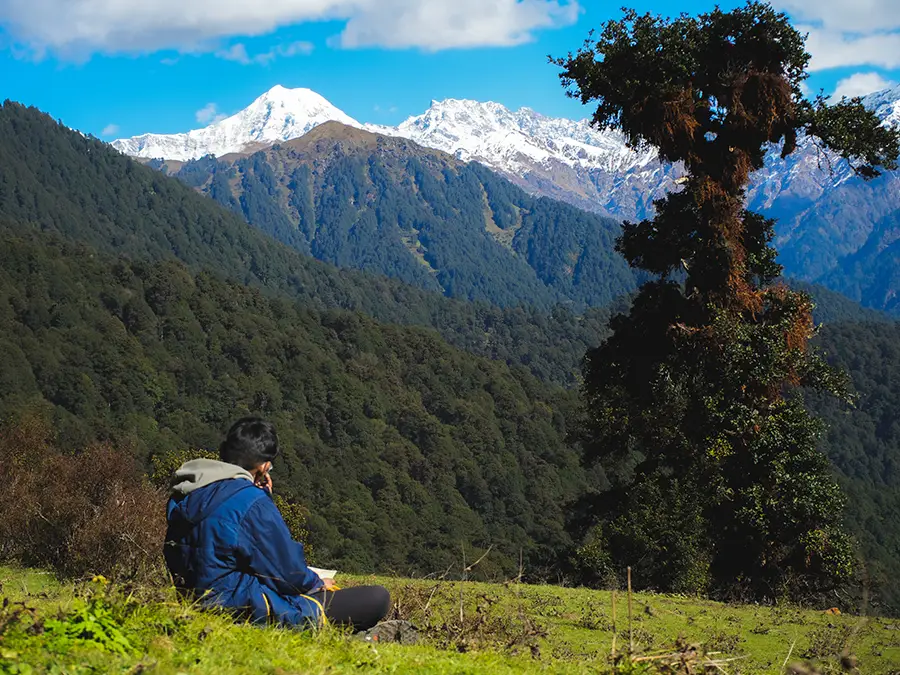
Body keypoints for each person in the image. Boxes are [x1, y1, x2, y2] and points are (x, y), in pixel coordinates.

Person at [164, 417, 391, 632]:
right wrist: (316, 581)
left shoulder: (187, 494)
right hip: (243, 608)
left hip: (196, 602)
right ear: (263, 467)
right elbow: (286, 571)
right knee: (376, 598)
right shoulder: (250, 502)